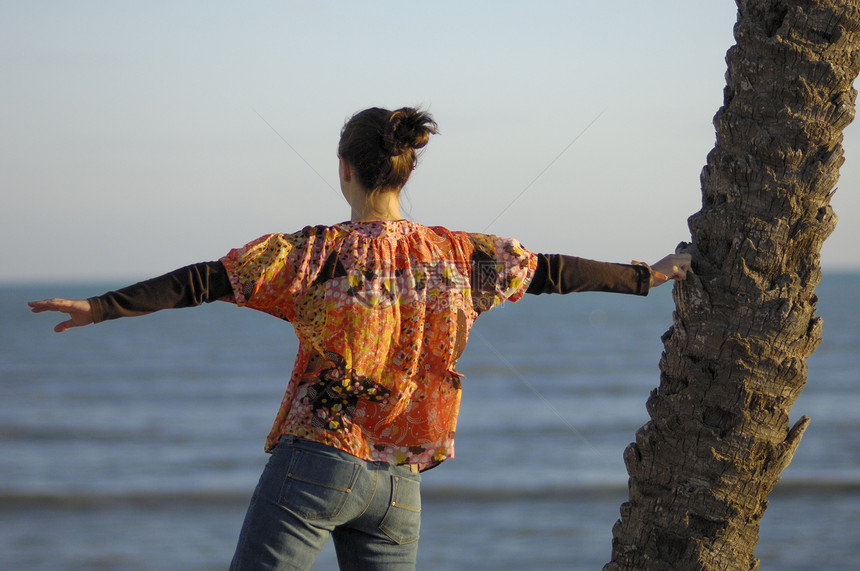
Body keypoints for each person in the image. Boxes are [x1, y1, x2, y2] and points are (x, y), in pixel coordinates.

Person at [29, 106, 692, 570]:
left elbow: (207, 280)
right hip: (399, 486)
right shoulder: (458, 257)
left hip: (318, 462)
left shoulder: (315, 255)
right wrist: (648, 277)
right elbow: (549, 271)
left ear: (345, 169)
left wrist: (101, 306)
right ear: (405, 172)